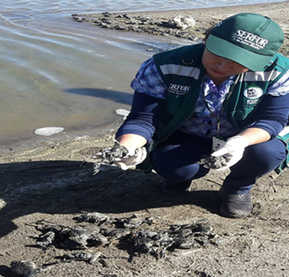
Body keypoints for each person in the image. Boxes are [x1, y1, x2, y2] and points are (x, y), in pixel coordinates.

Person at [98, 13, 289, 218]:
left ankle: (238, 187)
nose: (222, 66)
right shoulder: (165, 66)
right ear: (206, 39)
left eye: (238, 61)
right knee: (171, 166)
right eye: (218, 53)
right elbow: (142, 118)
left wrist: (240, 142)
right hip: (186, 135)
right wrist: (128, 147)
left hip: (246, 134)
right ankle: (179, 179)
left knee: (268, 153)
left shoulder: (277, 71)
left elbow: (274, 119)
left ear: (262, 62)